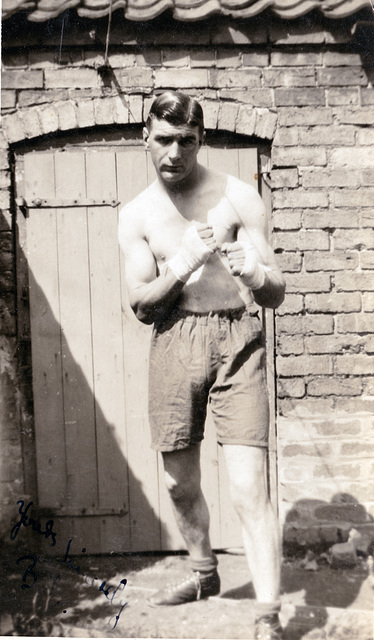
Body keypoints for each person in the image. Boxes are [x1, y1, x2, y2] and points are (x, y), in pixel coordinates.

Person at [118, 91, 286, 640]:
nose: (174, 153)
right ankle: (203, 572)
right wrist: (183, 264)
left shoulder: (238, 197)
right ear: (146, 137)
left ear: (201, 140)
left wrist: (257, 275)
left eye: (186, 141)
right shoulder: (138, 214)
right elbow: (143, 306)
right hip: (173, 340)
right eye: (163, 140)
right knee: (177, 484)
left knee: (248, 488)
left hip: (238, 340)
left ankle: (267, 615)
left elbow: (277, 291)